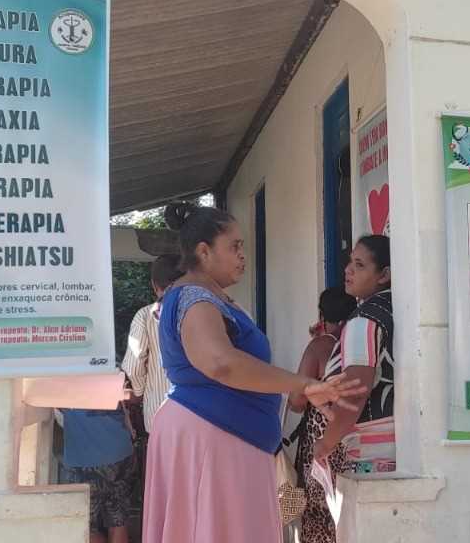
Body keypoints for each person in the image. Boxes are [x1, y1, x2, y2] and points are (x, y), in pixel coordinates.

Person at [141, 202, 368, 543]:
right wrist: (304, 384)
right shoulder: (193, 298)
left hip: (225, 436)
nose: (242, 255)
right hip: (212, 436)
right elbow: (220, 363)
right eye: (234, 247)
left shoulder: (211, 298)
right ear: (204, 252)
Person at [311, 234, 396, 484]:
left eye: (360, 265)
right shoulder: (395, 309)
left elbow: (354, 392)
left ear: (384, 274)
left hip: (373, 452)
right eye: (351, 262)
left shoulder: (364, 321)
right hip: (399, 446)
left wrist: (326, 443)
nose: (348, 270)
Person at [291, 287, 357, 543]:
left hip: (321, 444)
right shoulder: (360, 345)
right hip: (351, 439)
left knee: (318, 510)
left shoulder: (320, 346)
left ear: (322, 315)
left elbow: (296, 401)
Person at [123, 254, 184, 435]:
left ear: (154, 285)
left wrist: (139, 392)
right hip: (201, 415)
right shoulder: (203, 312)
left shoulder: (145, 316)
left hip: (159, 414)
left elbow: (134, 366)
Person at [59, 407, 136, 543]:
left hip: (84, 460)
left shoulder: (66, 385)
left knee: (84, 526)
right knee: (118, 521)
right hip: (120, 452)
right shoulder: (112, 383)